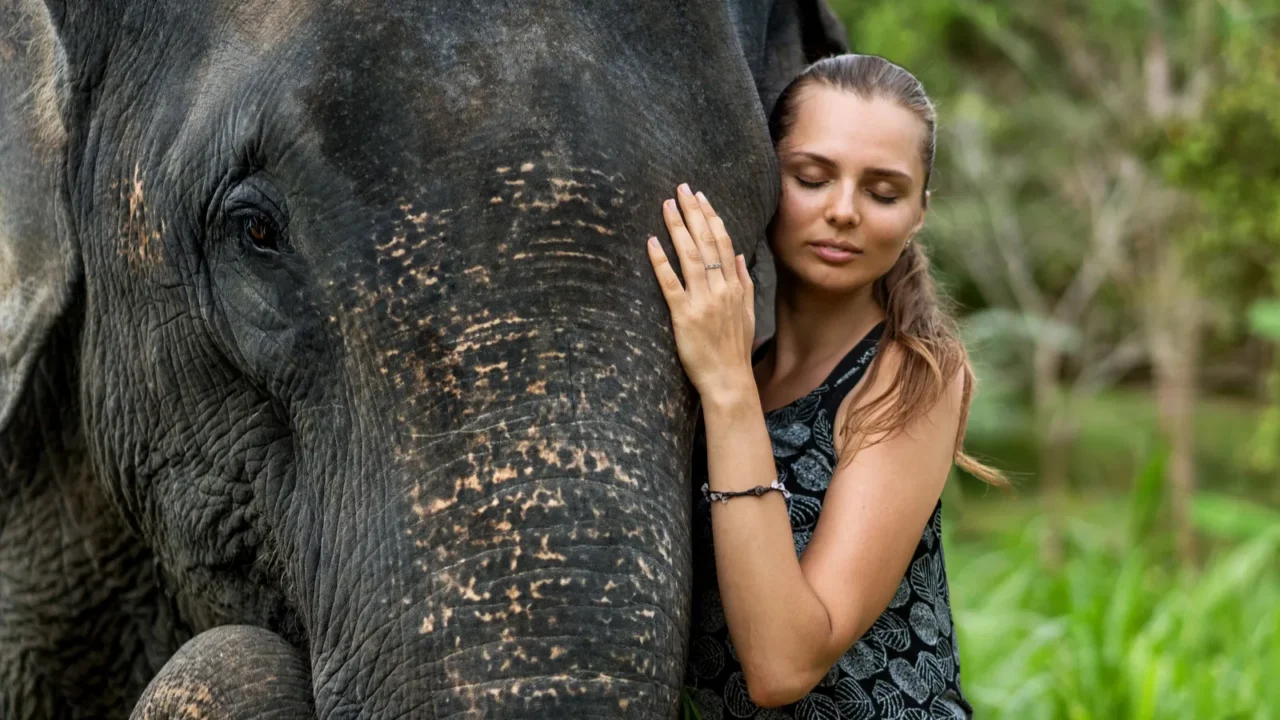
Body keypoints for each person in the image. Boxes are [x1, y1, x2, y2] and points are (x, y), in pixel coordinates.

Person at [645, 54, 1007, 719]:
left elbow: (782, 666)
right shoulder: (743, 366)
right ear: (765, 179)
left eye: (883, 192)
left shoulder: (912, 375)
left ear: (920, 212)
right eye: (811, 178)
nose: (843, 211)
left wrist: (726, 388)